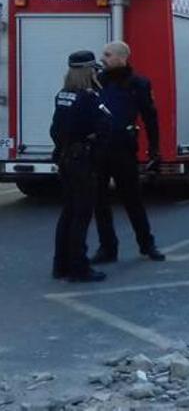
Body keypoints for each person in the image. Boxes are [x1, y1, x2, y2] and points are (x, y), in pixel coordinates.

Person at [91, 41, 164, 264]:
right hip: (99, 149)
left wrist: (154, 149)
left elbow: (150, 118)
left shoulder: (138, 84)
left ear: (122, 58)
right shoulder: (97, 82)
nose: (102, 58)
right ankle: (107, 248)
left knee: (132, 200)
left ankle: (147, 244)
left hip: (123, 149)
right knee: (100, 202)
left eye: (107, 55)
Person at [51, 51, 112, 282]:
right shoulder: (90, 97)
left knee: (68, 212)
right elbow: (105, 126)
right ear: (89, 71)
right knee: (82, 215)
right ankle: (79, 267)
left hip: (66, 157)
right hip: (83, 160)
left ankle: (61, 264)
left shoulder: (63, 95)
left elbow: (54, 130)